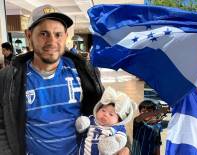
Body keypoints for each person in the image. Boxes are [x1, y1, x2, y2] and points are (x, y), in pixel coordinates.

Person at [0, 4, 129, 155]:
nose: (52, 41)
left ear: (66, 36)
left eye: (58, 34)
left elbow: (107, 111)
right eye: (43, 33)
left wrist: (123, 144)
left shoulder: (85, 72)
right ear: (29, 35)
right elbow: (2, 124)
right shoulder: (9, 78)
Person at [76, 87, 135, 155]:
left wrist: (114, 145)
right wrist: (82, 123)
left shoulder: (117, 128)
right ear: (97, 110)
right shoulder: (91, 119)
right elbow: (82, 126)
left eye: (111, 114)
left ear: (118, 120)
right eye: (103, 110)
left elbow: (121, 139)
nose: (105, 114)